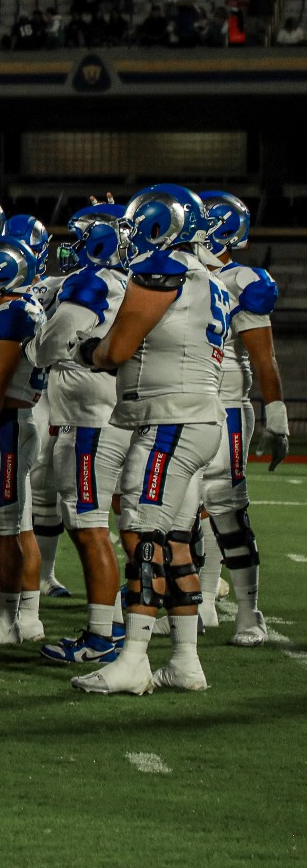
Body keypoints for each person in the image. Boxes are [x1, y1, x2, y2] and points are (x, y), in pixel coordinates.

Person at [70, 184, 227, 695]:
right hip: (198, 419)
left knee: (141, 533)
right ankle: (185, 660)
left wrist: (85, 349)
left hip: (169, 422)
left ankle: (134, 658)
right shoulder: (213, 279)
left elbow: (116, 350)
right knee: (176, 541)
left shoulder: (163, 272)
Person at [28, 205, 131, 665]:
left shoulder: (91, 283)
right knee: (119, 522)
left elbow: (47, 348)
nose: (71, 246)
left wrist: (35, 343)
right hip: (118, 411)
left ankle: (100, 635)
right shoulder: (132, 283)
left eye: (81, 236)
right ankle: (122, 621)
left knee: (89, 529)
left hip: (88, 422)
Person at [190, 191, 282, 646]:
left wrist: (277, 417)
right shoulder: (177, 272)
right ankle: (201, 601)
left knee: (226, 509)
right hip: (181, 402)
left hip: (224, 402)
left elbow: (263, 358)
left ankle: (249, 612)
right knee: (185, 511)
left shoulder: (243, 280)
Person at [0, 219, 50, 647]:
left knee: (5, 529)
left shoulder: (13, 313)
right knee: (15, 526)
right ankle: (24, 616)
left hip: (7, 426)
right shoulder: (17, 307)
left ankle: (8, 618)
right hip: (12, 425)